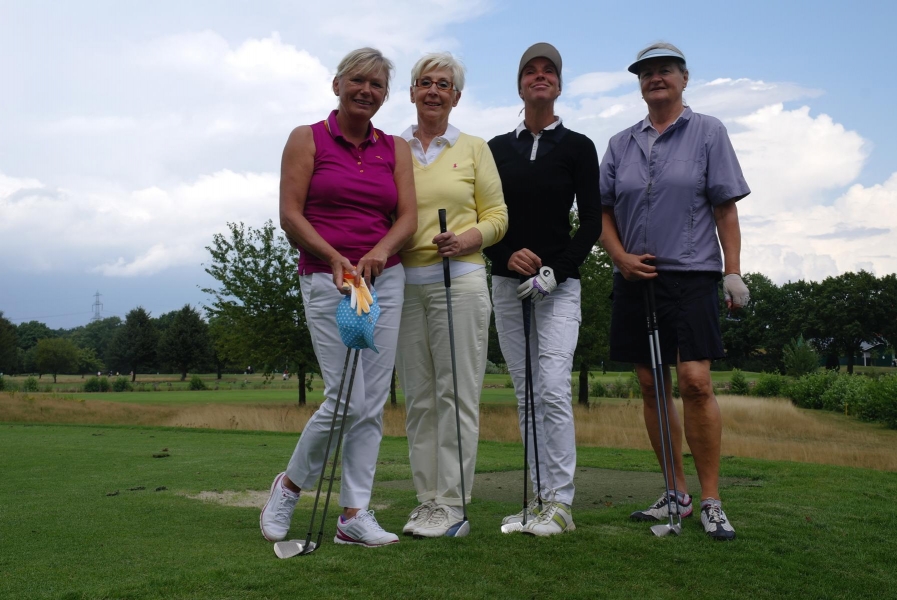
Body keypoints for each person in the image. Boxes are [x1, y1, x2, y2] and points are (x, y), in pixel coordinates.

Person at [260, 47, 417, 548]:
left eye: (377, 85)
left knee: (371, 402)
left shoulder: (395, 148)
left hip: (384, 279)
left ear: (384, 96)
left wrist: (380, 251)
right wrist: (333, 257)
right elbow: (290, 214)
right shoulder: (307, 138)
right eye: (358, 80)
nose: (366, 91)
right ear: (337, 85)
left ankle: (354, 514)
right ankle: (290, 486)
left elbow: (408, 218)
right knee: (346, 398)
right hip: (327, 277)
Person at [599, 42, 750, 541]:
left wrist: (733, 271)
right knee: (650, 384)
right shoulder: (621, 143)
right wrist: (618, 256)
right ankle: (675, 492)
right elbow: (603, 211)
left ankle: (711, 500)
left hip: (692, 274)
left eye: (665, 70)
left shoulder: (709, 131)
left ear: (684, 78)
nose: (655, 78)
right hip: (634, 276)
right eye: (646, 73)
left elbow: (725, 207)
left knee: (695, 381)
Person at [484, 43, 602, 536]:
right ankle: (535, 500)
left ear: (558, 84)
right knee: (526, 393)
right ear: (519, 85)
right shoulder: (495, 149)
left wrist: (556, 269)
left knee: (552, 388)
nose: (540, 76)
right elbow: (483, 218)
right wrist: (505, 254)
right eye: (530, 71)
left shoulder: (578, 146)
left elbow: (592, 222)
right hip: (506, 284)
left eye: (548, 70)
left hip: (559, 287)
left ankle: (560, 504)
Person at [395, 52, 508, 538]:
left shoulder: (474, 148)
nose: (434, 91)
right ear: (412, 92)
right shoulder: (393, 149)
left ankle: (453, 504)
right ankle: (427, 501)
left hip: (458, 281)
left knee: (456, 394)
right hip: (404, 284)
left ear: (456, 97)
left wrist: (465, 239)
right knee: (419, 399)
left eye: (443, 84)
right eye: (425, 83)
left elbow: (498, 216)